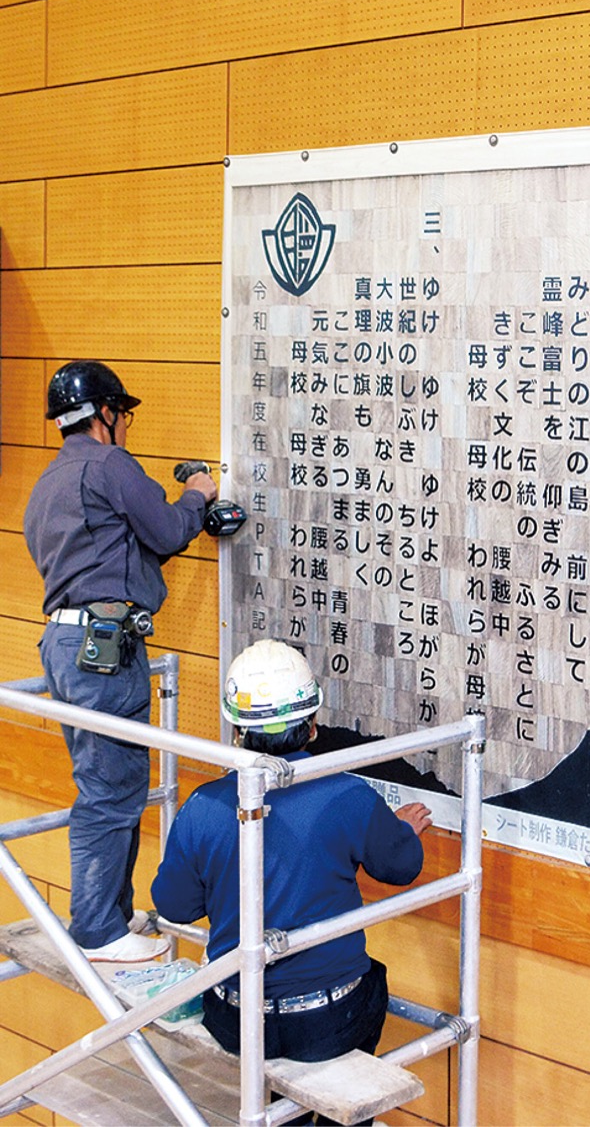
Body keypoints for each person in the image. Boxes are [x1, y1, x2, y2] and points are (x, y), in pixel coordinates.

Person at [151, 640, 432, 1078]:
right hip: (327, 1020)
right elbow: (401, 867)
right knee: (371, 982)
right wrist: (404, 832)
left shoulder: (203, 805)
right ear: (313, 724)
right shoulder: (346, 794)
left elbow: (174, 906)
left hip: (234, 1017)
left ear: (237, 730)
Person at [23, 360, 217, 962]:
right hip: (102, 650)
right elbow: (167, 530)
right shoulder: (109, 464)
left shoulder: (49, 481)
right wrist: (198, 494)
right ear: (105, 413)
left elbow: (111, 551)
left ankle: (112, 914)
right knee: (109, 791)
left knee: (115, 784)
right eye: (124, 414)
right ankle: (98, 932)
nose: (127, 425)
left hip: (66, 646)